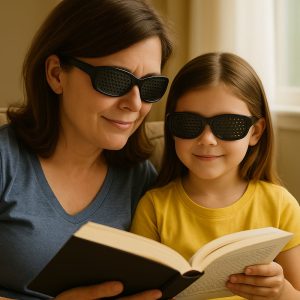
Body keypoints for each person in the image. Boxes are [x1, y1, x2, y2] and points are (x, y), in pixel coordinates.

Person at [0, 0, 173, 299]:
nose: (134, 104)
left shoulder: (141, 179)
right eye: (115, 80)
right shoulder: (6, 161)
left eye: (150, 87)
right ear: (56, 74)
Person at [131, 52, 300, 299]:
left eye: (228, 125)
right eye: (189, 123)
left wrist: (282, 292)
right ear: (171, 127)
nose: (207, 139)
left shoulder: (280, 205)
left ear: (255, 132)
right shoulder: (154, 207)